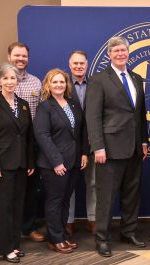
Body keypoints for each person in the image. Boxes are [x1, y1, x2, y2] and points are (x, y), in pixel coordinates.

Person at [86, 36, 148, 257]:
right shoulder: (99, 79)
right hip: (109, 149)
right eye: (117, 51)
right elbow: (92, 117)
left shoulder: (136, 78)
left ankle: (128, 232)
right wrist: (98, 147)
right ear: (109, 54)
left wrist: (143, 141)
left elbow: (139, 114)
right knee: (106, 197)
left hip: (133, 148)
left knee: (132, 193)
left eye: (124, 50)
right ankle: (102, 238)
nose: (121, 54)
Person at [0, 42, 45, 242]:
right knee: (6, 201)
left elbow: (40, 113)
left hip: (29, 147)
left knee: (27, 195)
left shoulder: (35, 83)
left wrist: (32, 153)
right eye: (17, 55)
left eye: (24, 56)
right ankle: (6, 240)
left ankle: (26, 229)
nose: (21, 59)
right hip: (4, 149)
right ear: (9, 56)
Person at [0, 63, 35, 263]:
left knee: (16, 207)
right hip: (0, 166)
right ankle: (4, 248)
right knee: (3, 209)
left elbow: (28, 137)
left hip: (21, 165)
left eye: (13, 78)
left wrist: (30, 161)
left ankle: (14, 245)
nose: (10, 82)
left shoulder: (23, 104)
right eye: (6, 78)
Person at [33, 69, 89, 253]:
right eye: (55, 82)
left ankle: (62, 235)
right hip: (54, 164)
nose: (59, 85)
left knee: (65, 200)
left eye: (62, 82)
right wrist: (56, 162)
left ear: (67, 84)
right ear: (48, 85)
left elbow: (80, 132)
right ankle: (54, 238)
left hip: (73, 162)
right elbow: (42, 136)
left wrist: (83, 153)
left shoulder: (73, 104)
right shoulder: (45, 106)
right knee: (55, 201)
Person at [66, 50, 96, 236]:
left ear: (87, 65)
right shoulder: (62, 84)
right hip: (69, 143)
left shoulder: (95, 84)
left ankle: (92, 218)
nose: (78, 66)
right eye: (75, 63)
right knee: (69, 184)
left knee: (93, 182)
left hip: (92, 142)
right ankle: (68, 220)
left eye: (82, 63)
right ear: (70, 65)